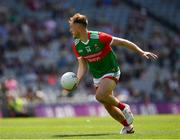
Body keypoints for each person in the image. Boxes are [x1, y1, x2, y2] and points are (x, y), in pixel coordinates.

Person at [64, 13, 158, 134]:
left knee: (99, 96)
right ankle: (128, 127)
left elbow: (123, 42)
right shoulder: (77, 46)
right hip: (97, 76)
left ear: (79, 27)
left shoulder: (99, 37)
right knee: (107, 105)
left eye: (72, 27)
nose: (70, 30)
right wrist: (78, 79)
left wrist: (141, 52)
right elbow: (83, 65)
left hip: (111, 71)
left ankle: (124, 107)